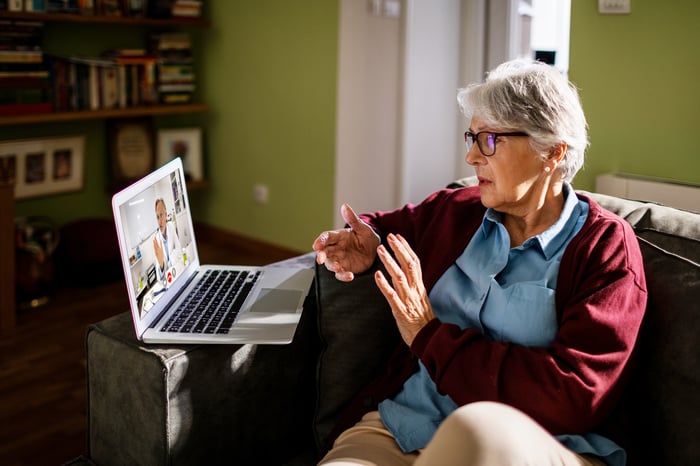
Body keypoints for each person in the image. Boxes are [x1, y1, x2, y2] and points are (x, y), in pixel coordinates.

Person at [312, 59, 647, 466]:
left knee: (476, 429)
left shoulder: (605, 248)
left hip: (539, 446)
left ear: (551, 152)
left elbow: (573, 395)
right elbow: (386, 230)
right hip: (406, 427)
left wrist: (427, 334)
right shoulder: (459, 211)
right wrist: (365, 245)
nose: (471, 156)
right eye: (471, 137)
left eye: (489, 140)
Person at [152, 197, 181, 282]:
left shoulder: (171, 226)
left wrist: (169, 263)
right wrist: (161, 267)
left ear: (165, 214)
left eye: (161, 215)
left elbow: (179, 248)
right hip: (168, 280)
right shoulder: (156, 240)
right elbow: (159, 277)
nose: (159, 221)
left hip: (177, 270)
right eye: (157, 217)